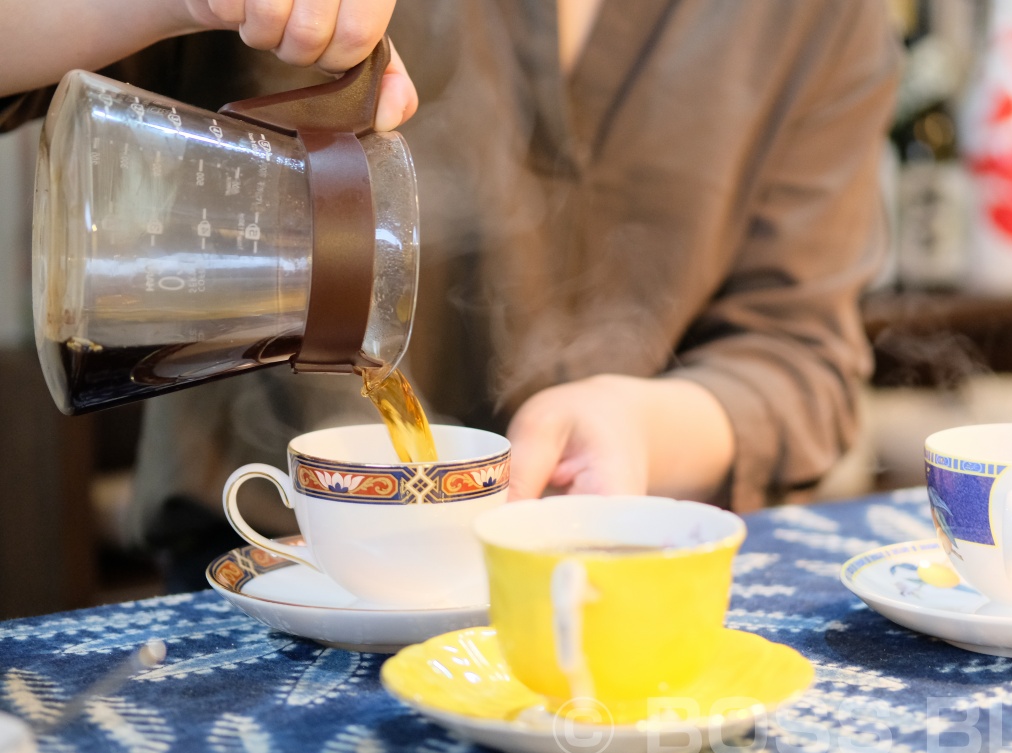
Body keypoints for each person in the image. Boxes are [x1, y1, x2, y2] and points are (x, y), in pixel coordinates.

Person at [2, 0, 900, 590]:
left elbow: (801, 355)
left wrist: (638, 424)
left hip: (594, 597)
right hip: (264, 597)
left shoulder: (822, 19)